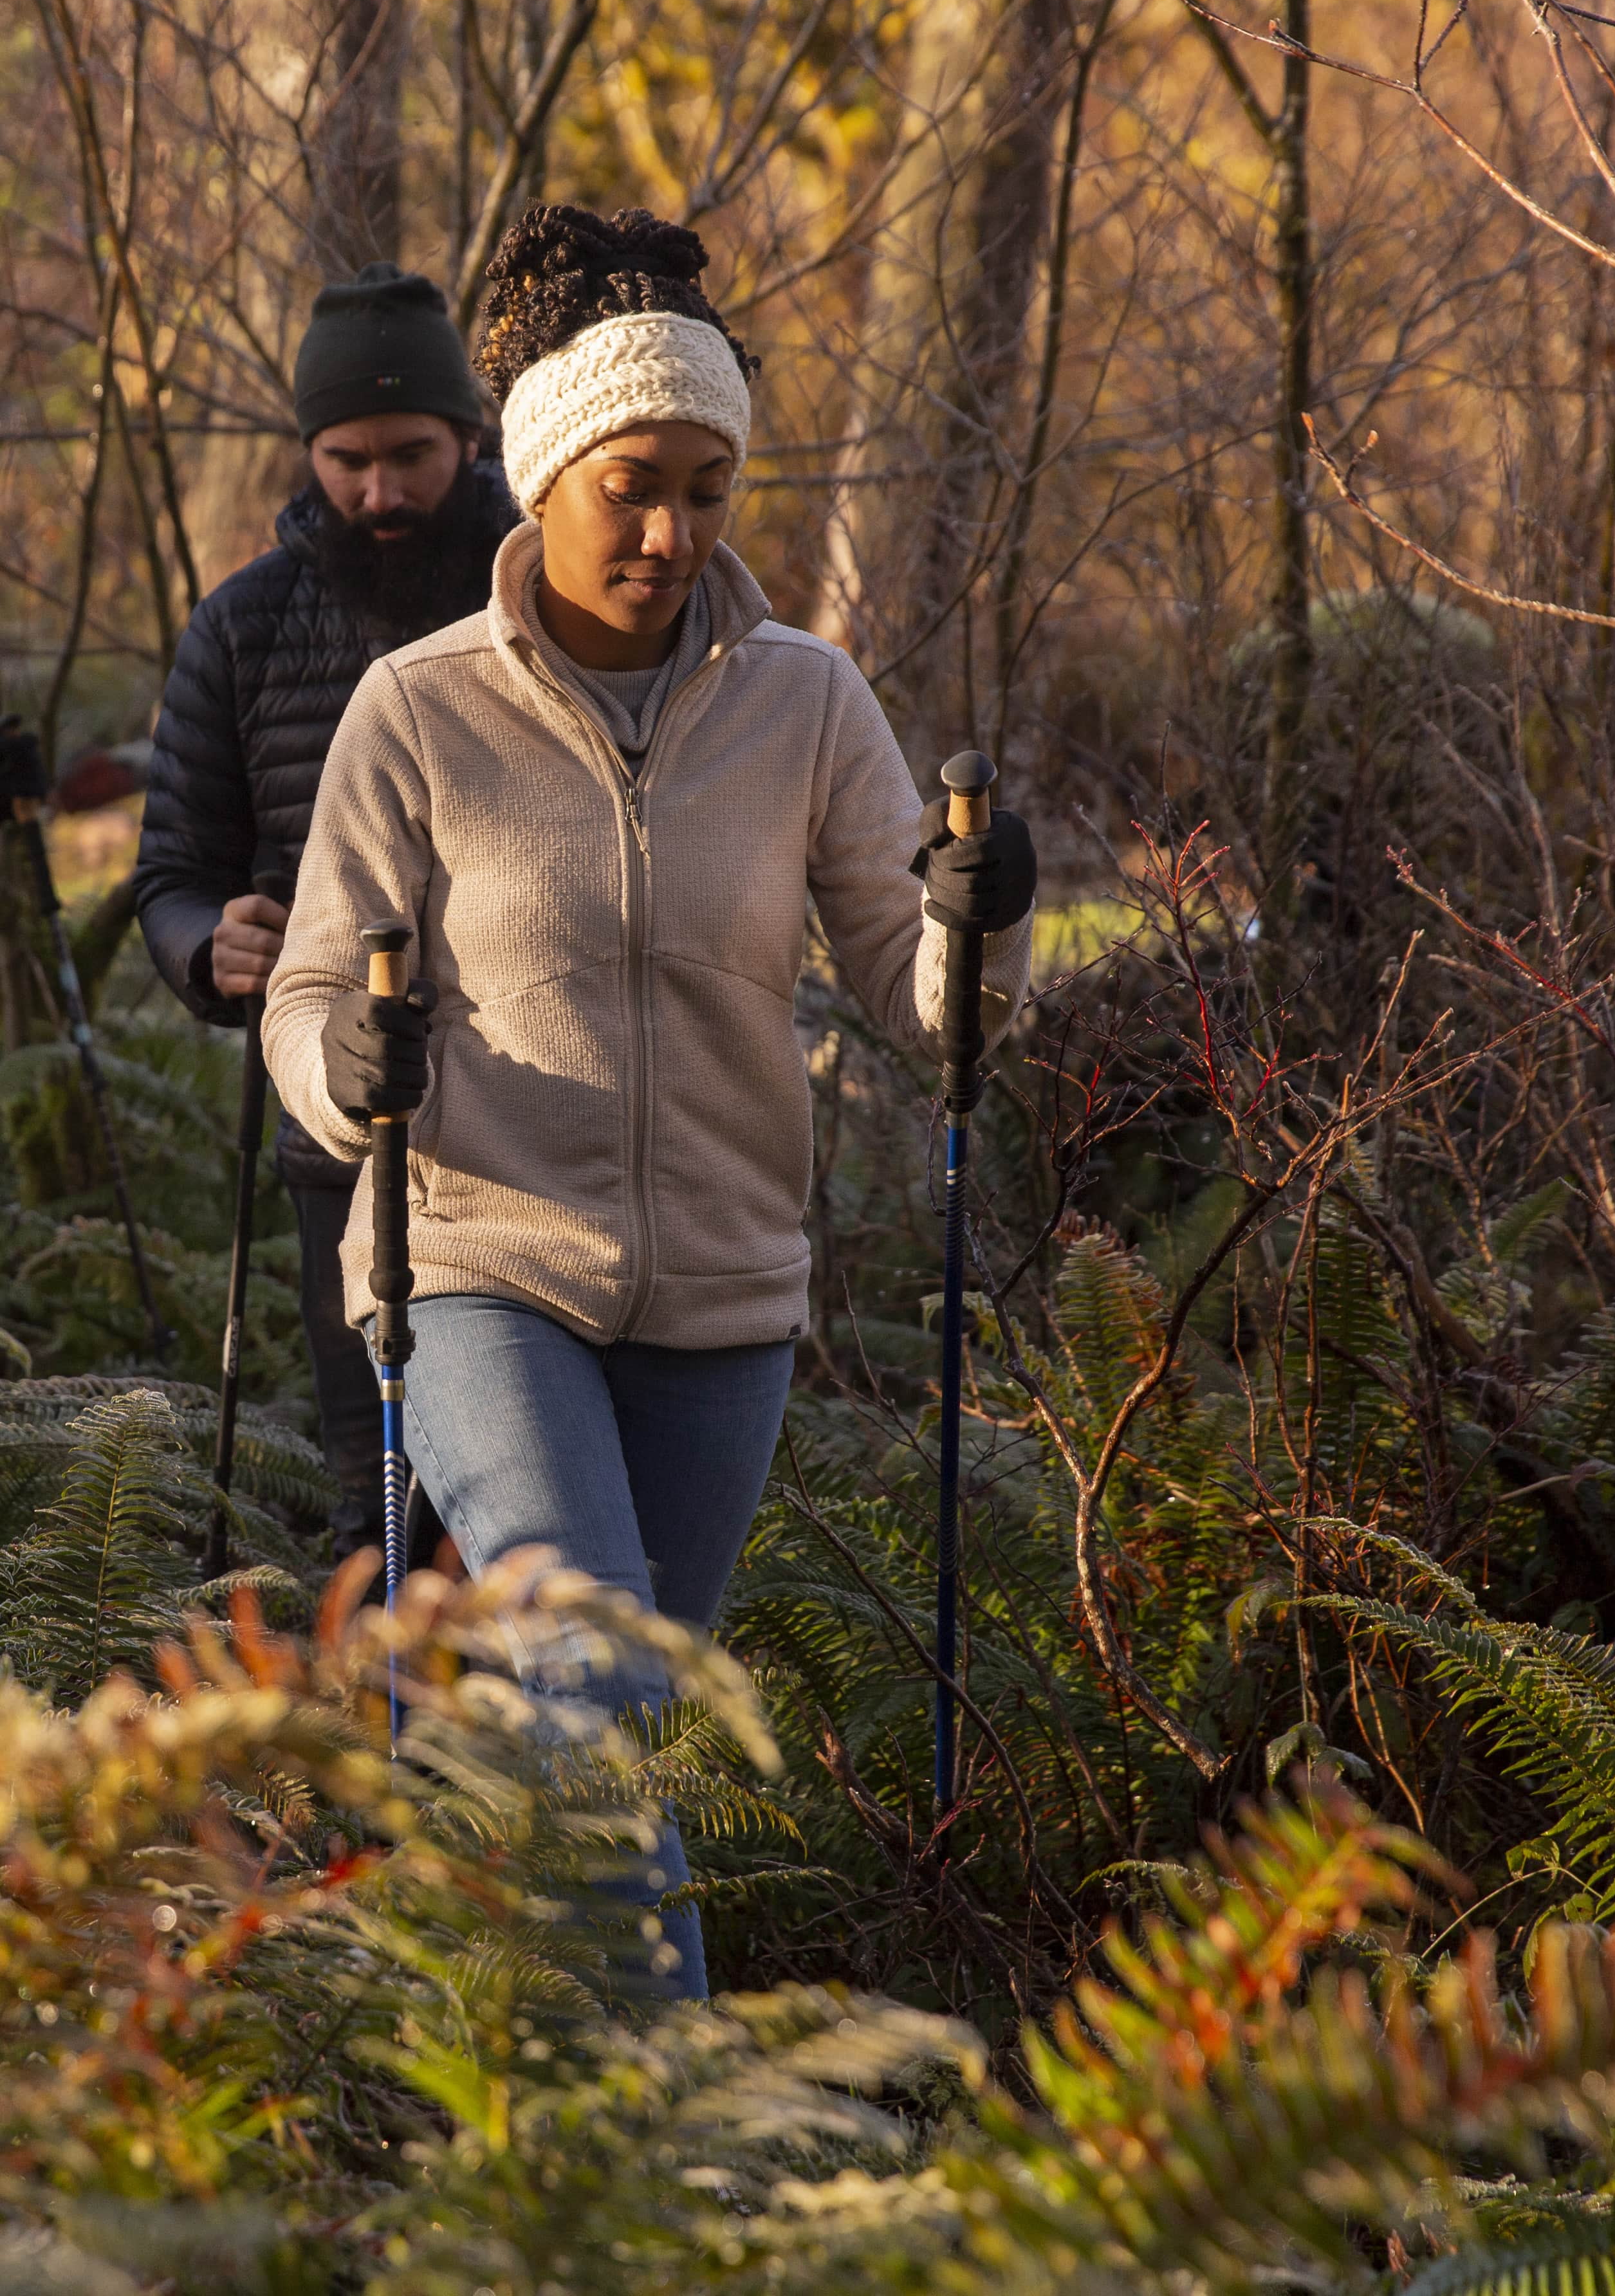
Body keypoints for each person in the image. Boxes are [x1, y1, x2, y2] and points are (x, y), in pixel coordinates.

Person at [261, 204, 1037, 1997]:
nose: (674, 533)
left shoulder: (807, 706)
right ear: (543, 479)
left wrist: (977, 921)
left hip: (722, 1299)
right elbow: (307, 996)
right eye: (633, 489)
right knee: (595, 1681)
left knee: (608, 1737)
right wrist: (343, 1071)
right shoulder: (417, 712)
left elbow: (932, 1014)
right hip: (476, 1264)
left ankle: (481, 2044)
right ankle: (672, 2116)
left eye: (707, 488)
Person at [134, 264, 519, 1570]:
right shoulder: (242, 629)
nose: (379, 492)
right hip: (335, 1131)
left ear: (469, 438)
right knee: (380, 1500)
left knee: (511, 1516)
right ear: (308, 453)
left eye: (410, 456)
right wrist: (208, 944)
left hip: (536, 1121)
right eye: (347, 459)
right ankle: (382, 1690)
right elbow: (173, 868)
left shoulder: (538, 601)